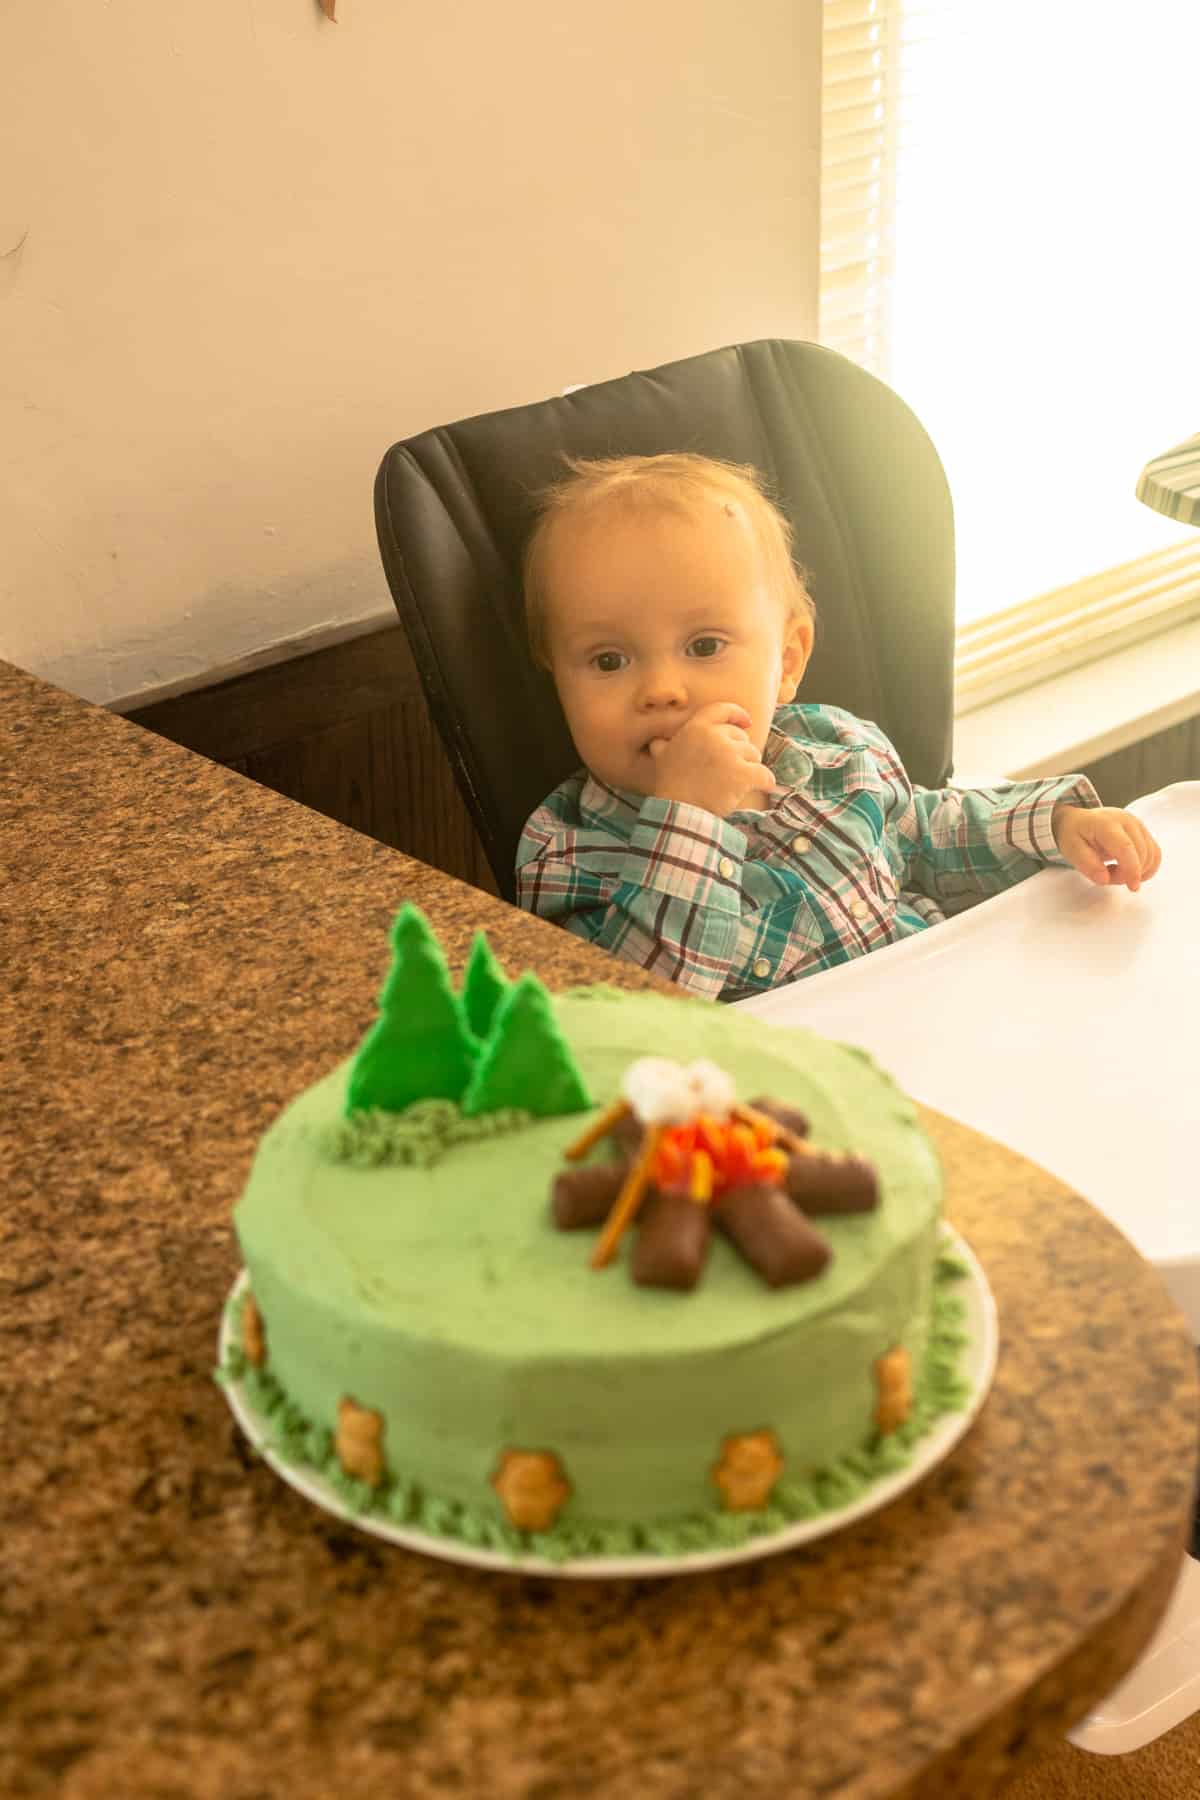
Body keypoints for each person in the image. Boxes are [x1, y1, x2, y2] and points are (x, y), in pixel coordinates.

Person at [515, 453, 1162, 1002]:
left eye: (705, 646)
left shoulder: (838, 748)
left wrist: (1054, 827)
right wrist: (689, 817)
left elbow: (929, 835)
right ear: (556, 681)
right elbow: (637, 1014)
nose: (662, 690)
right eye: (608, 660)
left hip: (948, 1019)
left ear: (788, 661)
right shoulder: (564, 850)